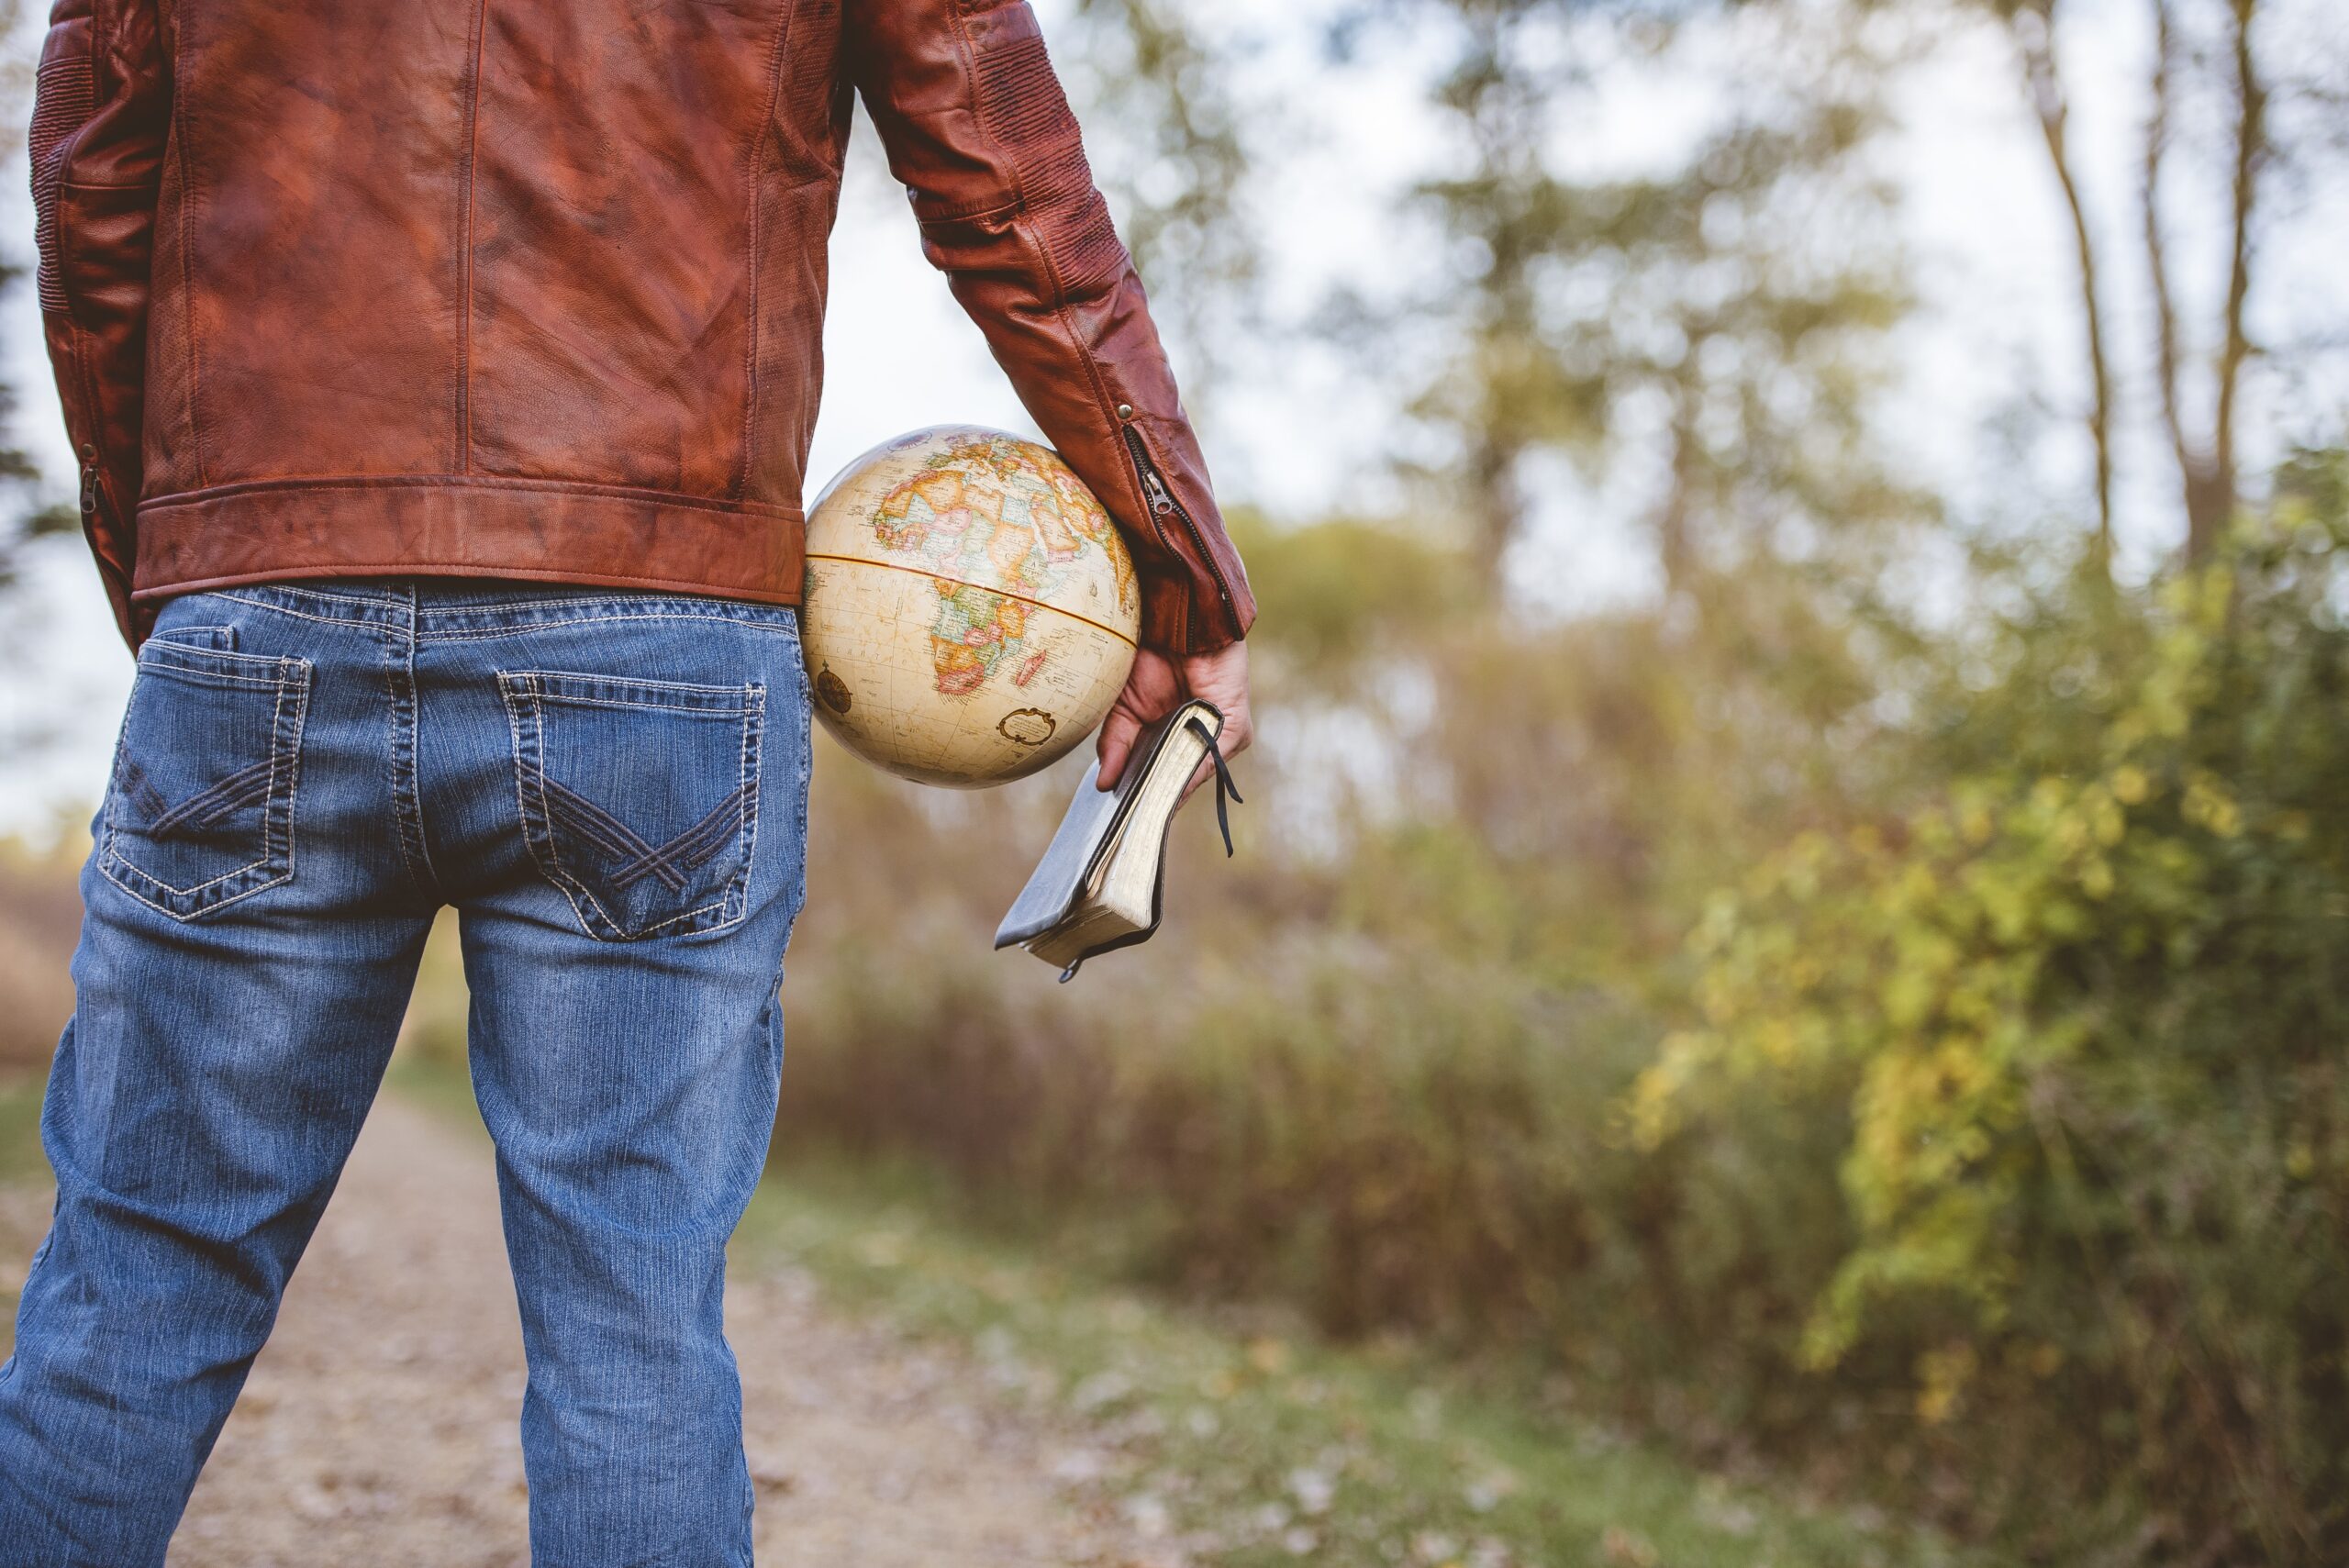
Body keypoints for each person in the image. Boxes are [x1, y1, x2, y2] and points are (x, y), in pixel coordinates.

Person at [0, 0, 1254, 1561]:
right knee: (633, 1315)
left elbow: (91, 177)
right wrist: (1185, 574)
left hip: (266, 591)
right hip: (660, 633)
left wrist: (184, 578)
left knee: (137, 1274)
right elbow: (1006, 175)